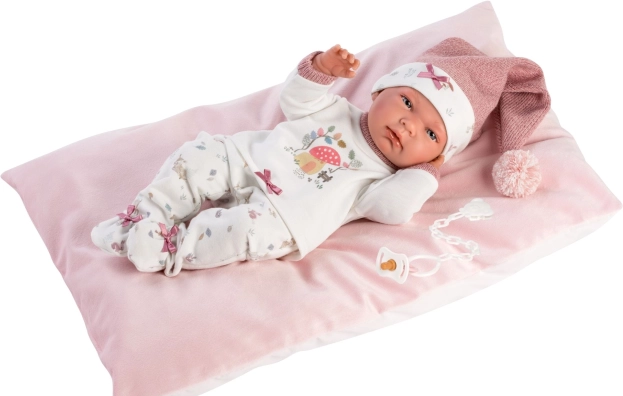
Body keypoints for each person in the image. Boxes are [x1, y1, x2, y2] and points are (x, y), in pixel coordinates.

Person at [90, 37, 551, 277]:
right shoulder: (337, 111)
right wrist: (320, 71)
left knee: (241, 234)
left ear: (437, 154)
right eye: (408, 102)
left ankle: (168, 248)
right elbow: (296, 98)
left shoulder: (384, 179)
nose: (409, 125)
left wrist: (425, 172)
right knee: (199, 155)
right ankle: (146, 215)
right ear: (380, 91)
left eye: (431, 133)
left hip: (284, 219)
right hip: (247, 159)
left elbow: (392, 210)